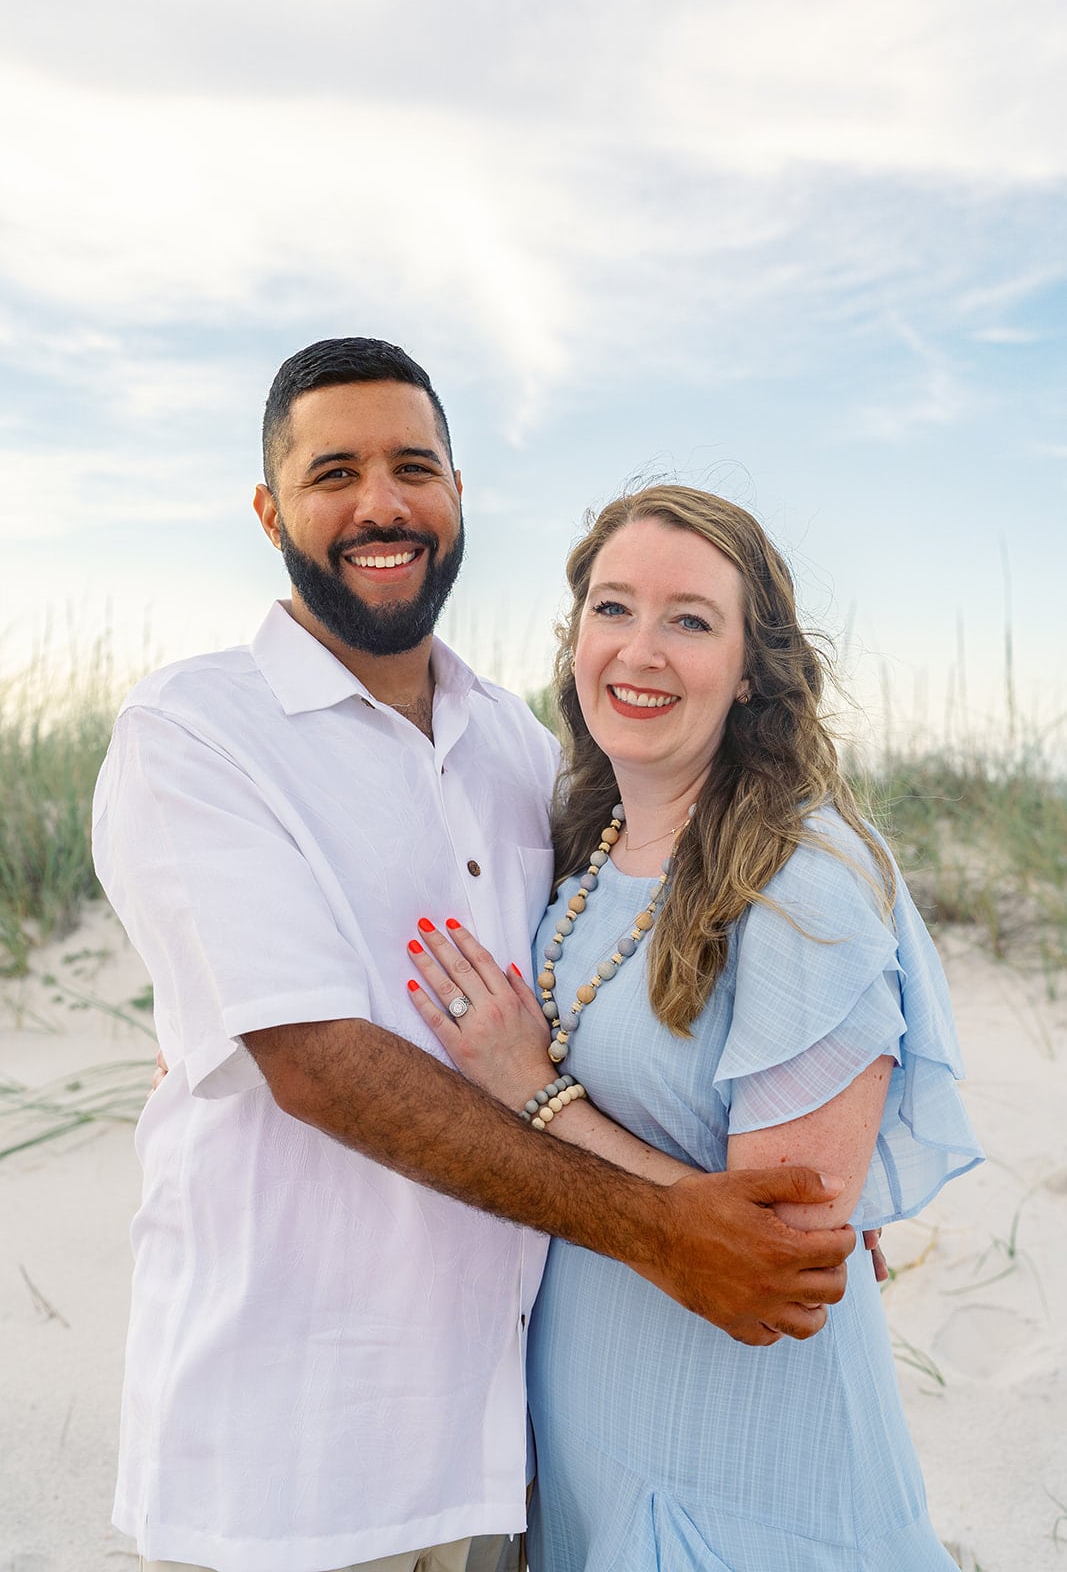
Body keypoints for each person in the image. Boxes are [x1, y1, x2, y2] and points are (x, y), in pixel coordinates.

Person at [92, 341, 863, 1572]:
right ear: (267, 508)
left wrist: (805, 1149)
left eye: (413, 466)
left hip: (503, 1450)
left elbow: (602, 999)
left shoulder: (515, 739)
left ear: (457, 493)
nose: (380, 504)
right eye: (332, 470)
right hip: (293, 1459)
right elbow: (320, 1064)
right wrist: (664, 1232)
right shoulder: (193, 731)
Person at [407, 485, 984, 1570]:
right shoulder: (588, 840)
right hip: (596, 1435)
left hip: (743, 1465)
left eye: (688, 619)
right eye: (612, 607)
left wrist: (534, 1092)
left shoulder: (800, 883)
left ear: (754, 666)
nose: (639, 649)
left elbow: (784, 1255)